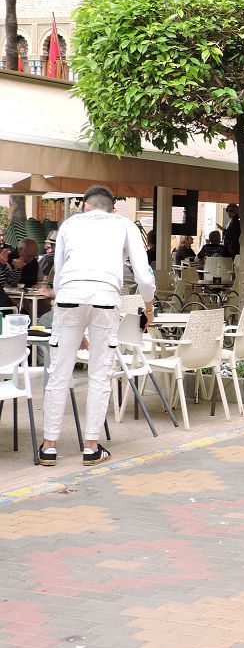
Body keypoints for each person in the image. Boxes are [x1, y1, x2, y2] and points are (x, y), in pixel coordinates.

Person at [39, 186, 155, 467]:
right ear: (111, 208)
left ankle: (49, 447)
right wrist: (148, 306)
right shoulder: (123, 224)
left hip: (68, 298)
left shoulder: (69, 224)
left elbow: (59, 269)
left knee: (58, 372)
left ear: (85, 206)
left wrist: (63, 302)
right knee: (100, 373)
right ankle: (91, 446)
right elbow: (143, 272)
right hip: (105, 298)